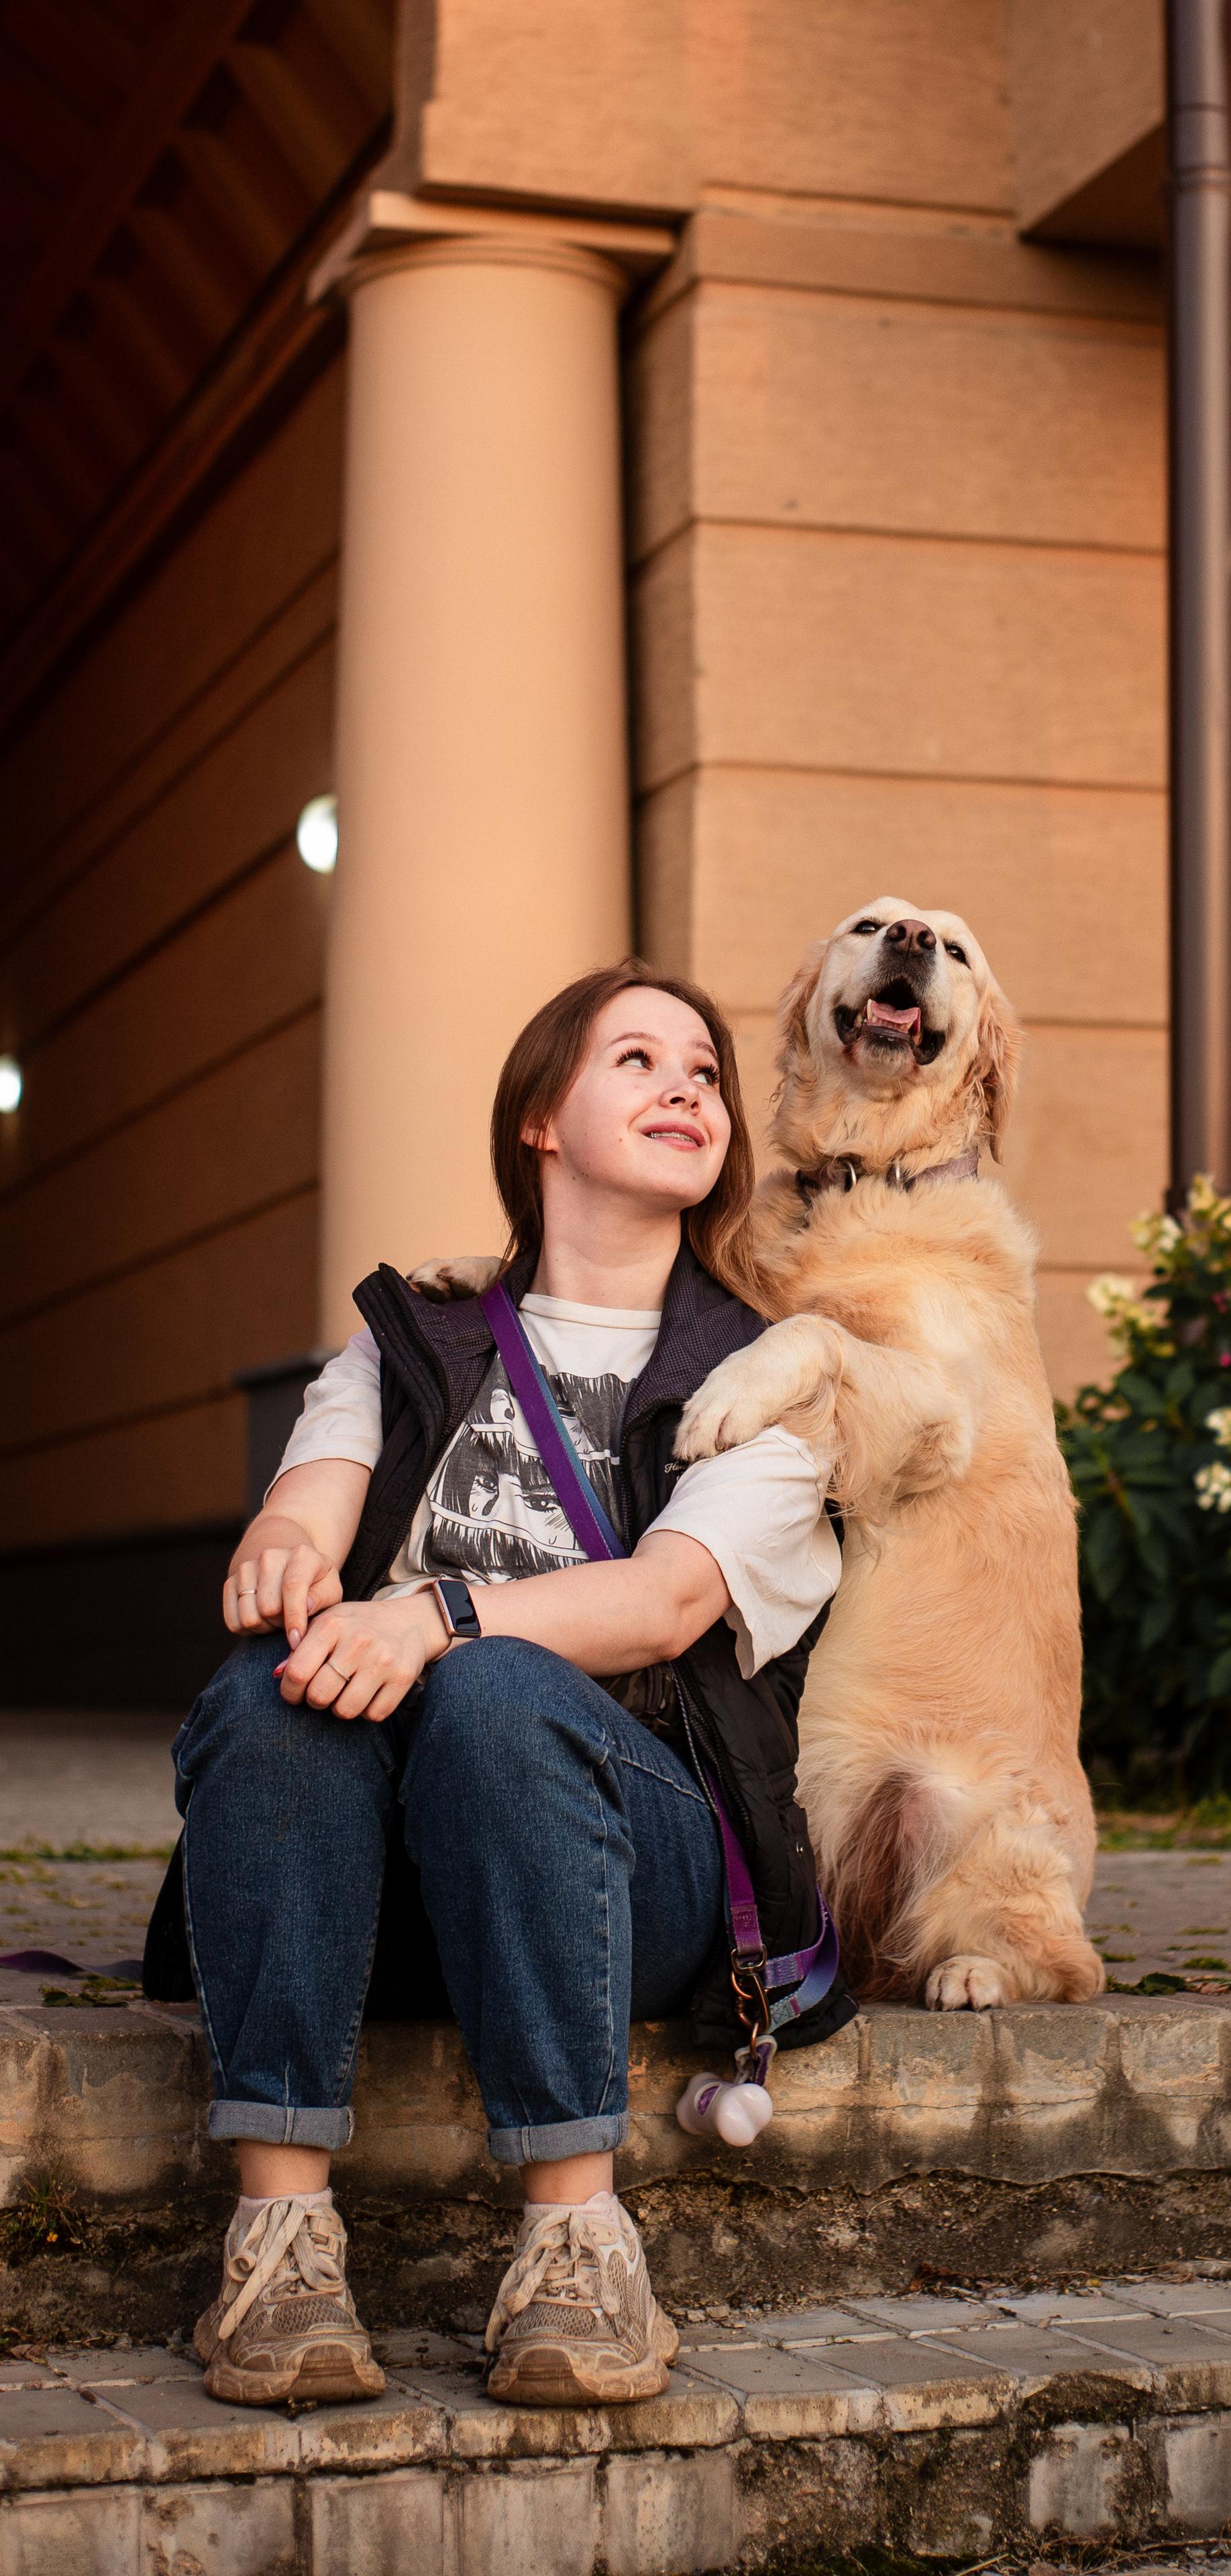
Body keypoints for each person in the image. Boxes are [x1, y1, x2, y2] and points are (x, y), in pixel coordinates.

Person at [147, 961, 853, 2410]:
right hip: (376, 1877)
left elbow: (666, 1602)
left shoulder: (763, 1378)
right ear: (539, 1117)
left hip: (627, 1869)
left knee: (493, 1692)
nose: (686, 1087)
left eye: (706, 1073)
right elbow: (313, 1495)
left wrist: (437, 1615)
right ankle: (280, 2250)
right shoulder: (416, 1338)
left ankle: (578, 2247)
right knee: (278, 1687)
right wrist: (284, 1558)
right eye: (636, 1059)